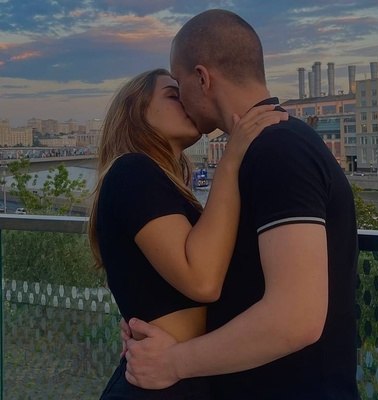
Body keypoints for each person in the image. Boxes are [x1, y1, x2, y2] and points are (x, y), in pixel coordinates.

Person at [123, 9, 359, 400]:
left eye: (179, 84)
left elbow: (296, 317)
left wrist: (173, 362)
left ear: (202, 78)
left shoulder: (278, 149)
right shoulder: (258, 149)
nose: (180, 97)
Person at [88, 68, 287, 399]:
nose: (186, 100)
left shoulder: (157, 183)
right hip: (160, 384)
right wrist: (231, 160)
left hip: (174, 376)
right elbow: (203, 280)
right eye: (173, 94)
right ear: (136, 111)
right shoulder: (133, 171)